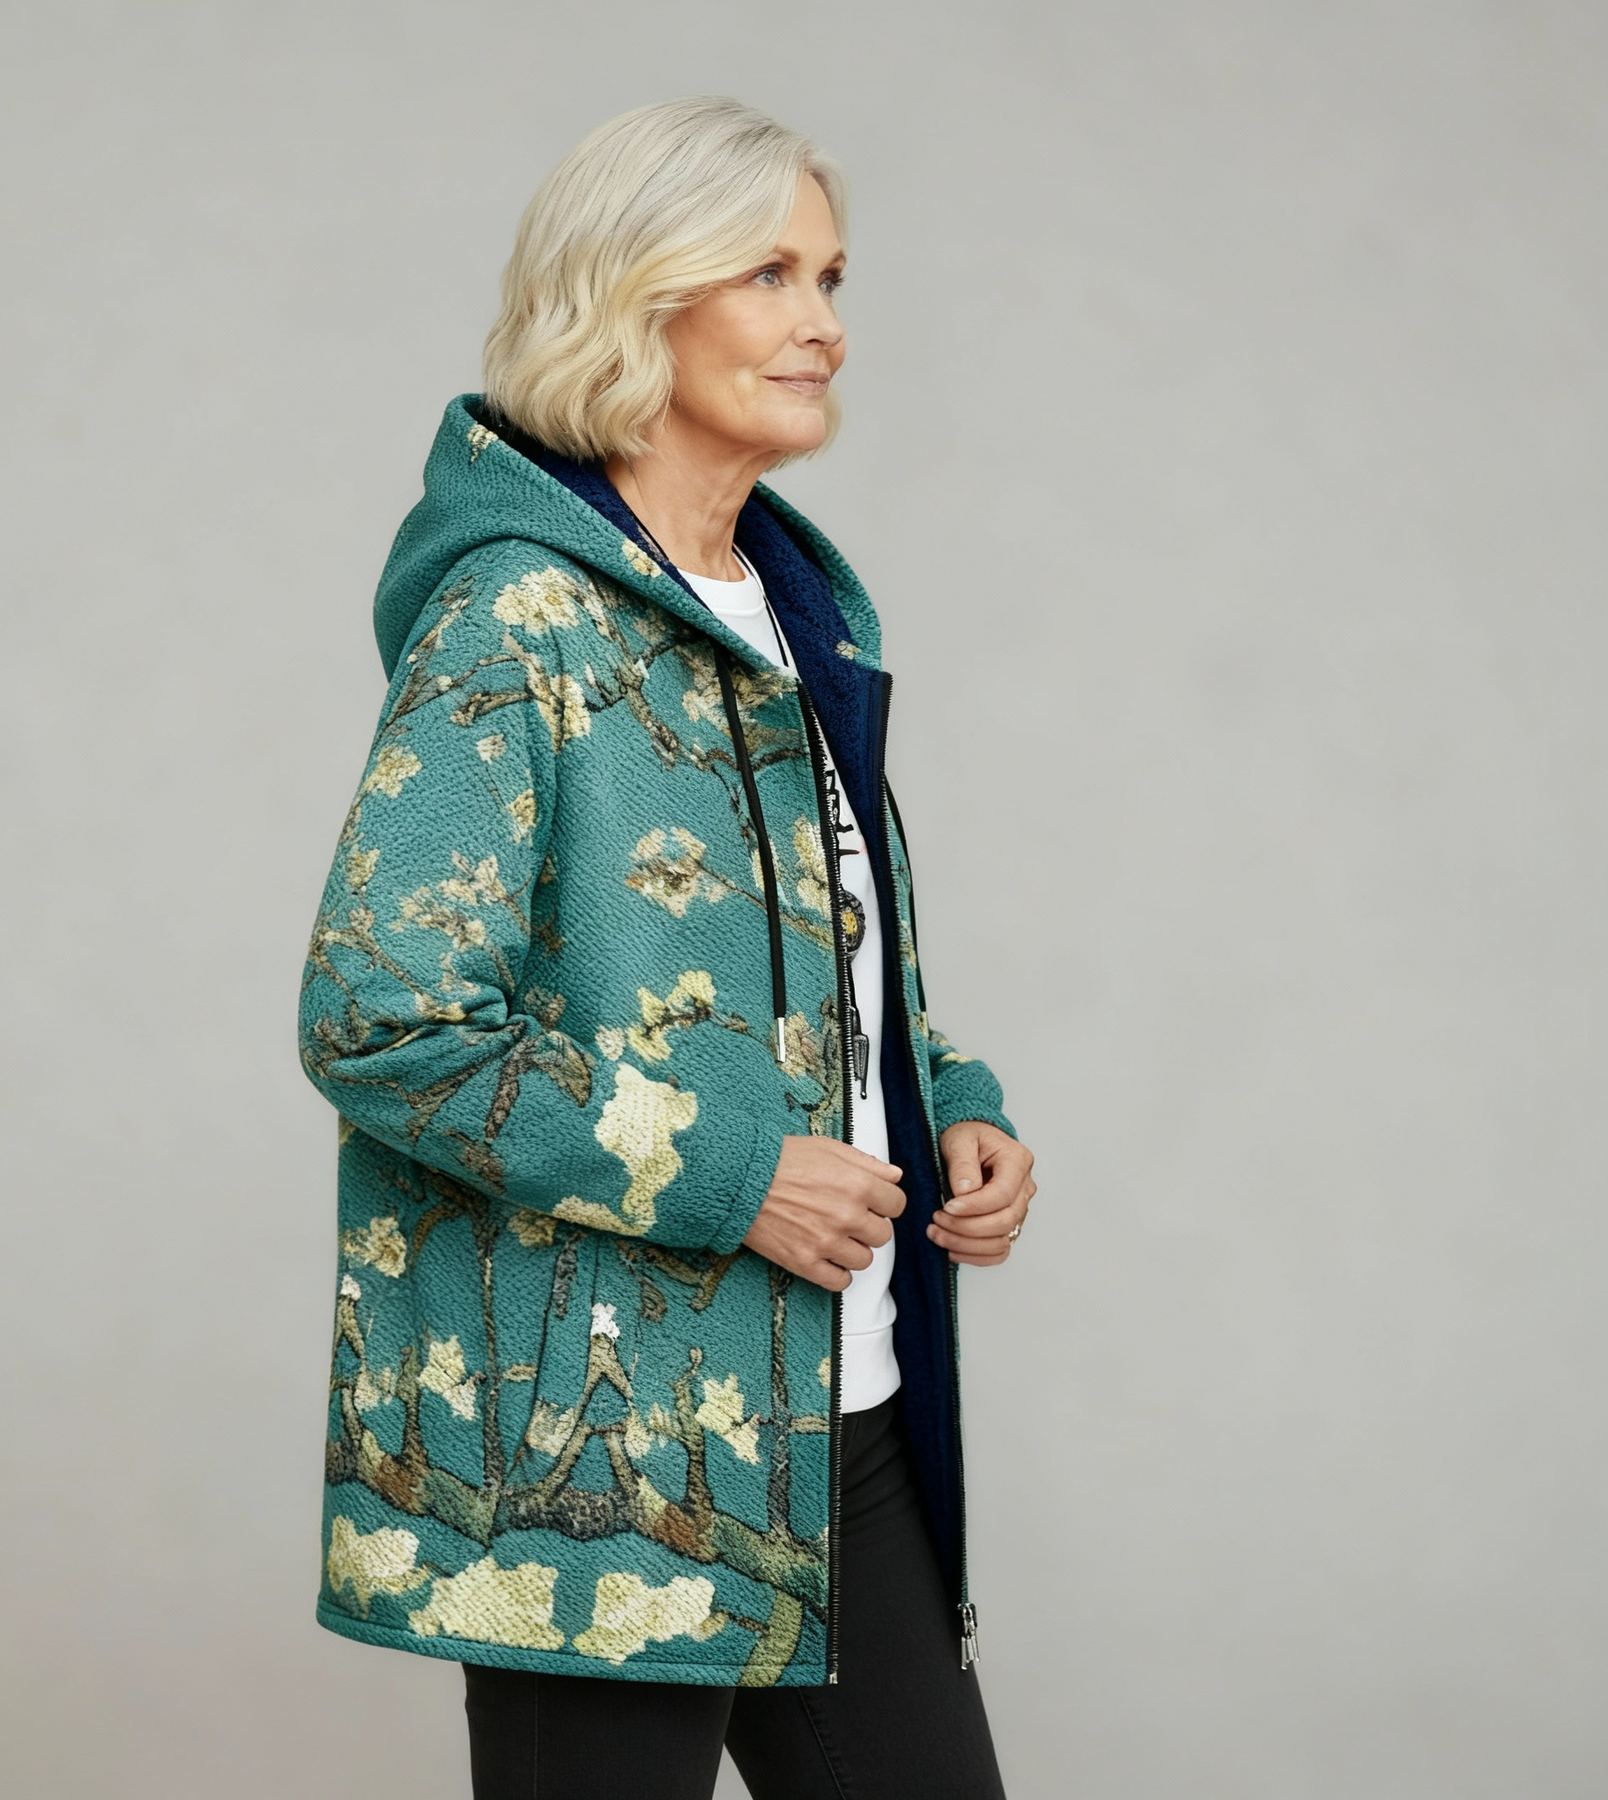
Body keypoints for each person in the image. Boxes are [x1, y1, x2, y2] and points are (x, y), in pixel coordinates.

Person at [299, 96, 1037, 1799]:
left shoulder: (798, 615)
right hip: (597, 1464)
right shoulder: (519, 619)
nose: (824, 320)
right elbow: (383, 1022)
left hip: (843, 1418)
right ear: (631, 296)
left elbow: (829, 973)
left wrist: (952, 1104)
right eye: (768, 273)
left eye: (831, 275)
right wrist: (739, 1178)